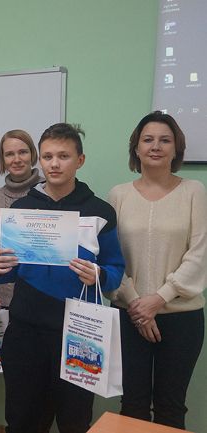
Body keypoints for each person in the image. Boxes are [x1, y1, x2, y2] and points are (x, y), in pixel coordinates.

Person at [0, 123, 125, 433]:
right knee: (22, 420)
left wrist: (100, 274)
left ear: (80, 160)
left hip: (78, 334)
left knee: (74, 421)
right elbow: (9, 269)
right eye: (48, 157)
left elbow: (116, 271)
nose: (55, 164)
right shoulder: (22, 208)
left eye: (63, 156)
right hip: (26, 331)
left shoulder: (100, 211)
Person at [107, 111, 207, 429]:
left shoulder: (194, 191)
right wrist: (137, 303)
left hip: (181, 318)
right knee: (132, 404)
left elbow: (200, 253)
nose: (155, 146)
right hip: (128, 314)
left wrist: (159, 298)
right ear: (136, 148)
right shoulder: (118, 195)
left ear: (176, 148)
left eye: (165, 140)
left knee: (171, 406)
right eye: (148, 139)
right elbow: (111, 256)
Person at [0, 129, 43, 307]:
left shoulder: (49, 190)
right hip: (6, 295)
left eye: (23, 152)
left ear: (33, 154)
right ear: (3, 159)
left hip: (43, 294)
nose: (17, 159)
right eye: (10, 154)